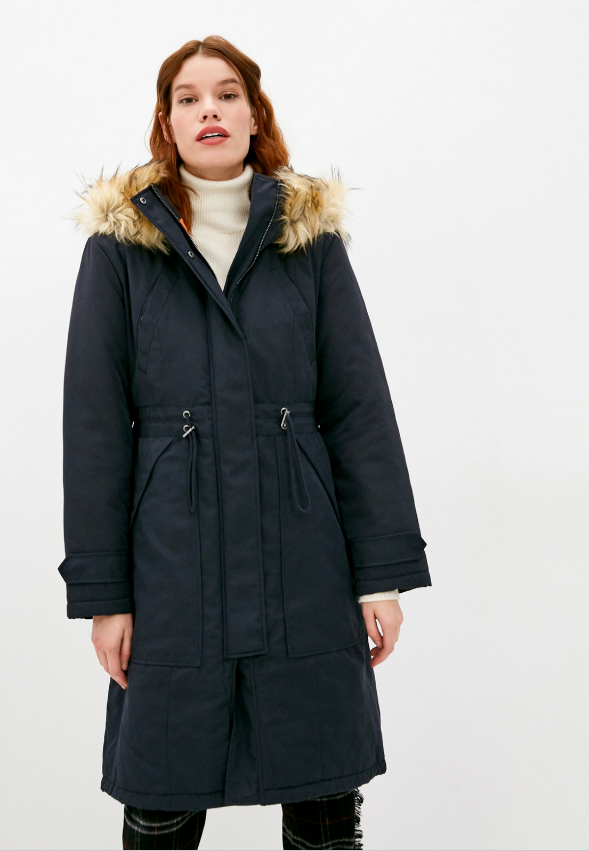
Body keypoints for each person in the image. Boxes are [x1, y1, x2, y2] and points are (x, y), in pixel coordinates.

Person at [57, 35, 431, 850]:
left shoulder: (308, 241)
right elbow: (92, 428)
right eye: (188, 98)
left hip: (305, 560)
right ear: (166, 121)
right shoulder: (121, 248)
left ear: (255, 114)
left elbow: (358, 408)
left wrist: (381, 575)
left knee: (322, 786)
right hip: (170, 567)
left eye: (227, 94)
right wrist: (105, 594)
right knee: (161, 786)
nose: (210, 111)